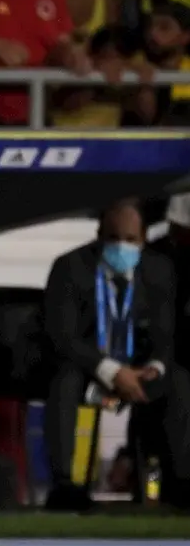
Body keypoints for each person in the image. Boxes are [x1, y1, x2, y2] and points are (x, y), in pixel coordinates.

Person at [42, 200, 190, 511]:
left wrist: (156, 367)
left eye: (130, 239)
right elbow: (63, 336)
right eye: (113, 238)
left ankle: (181, 484)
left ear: (144, 237)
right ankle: (67, 486)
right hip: (88, 367)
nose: (122, 246)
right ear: (99, 235)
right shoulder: (70, 267)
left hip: (139, 371)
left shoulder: (159, 270)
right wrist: (110, 370)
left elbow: (167, 333)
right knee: (64, 380)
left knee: (178, 381)